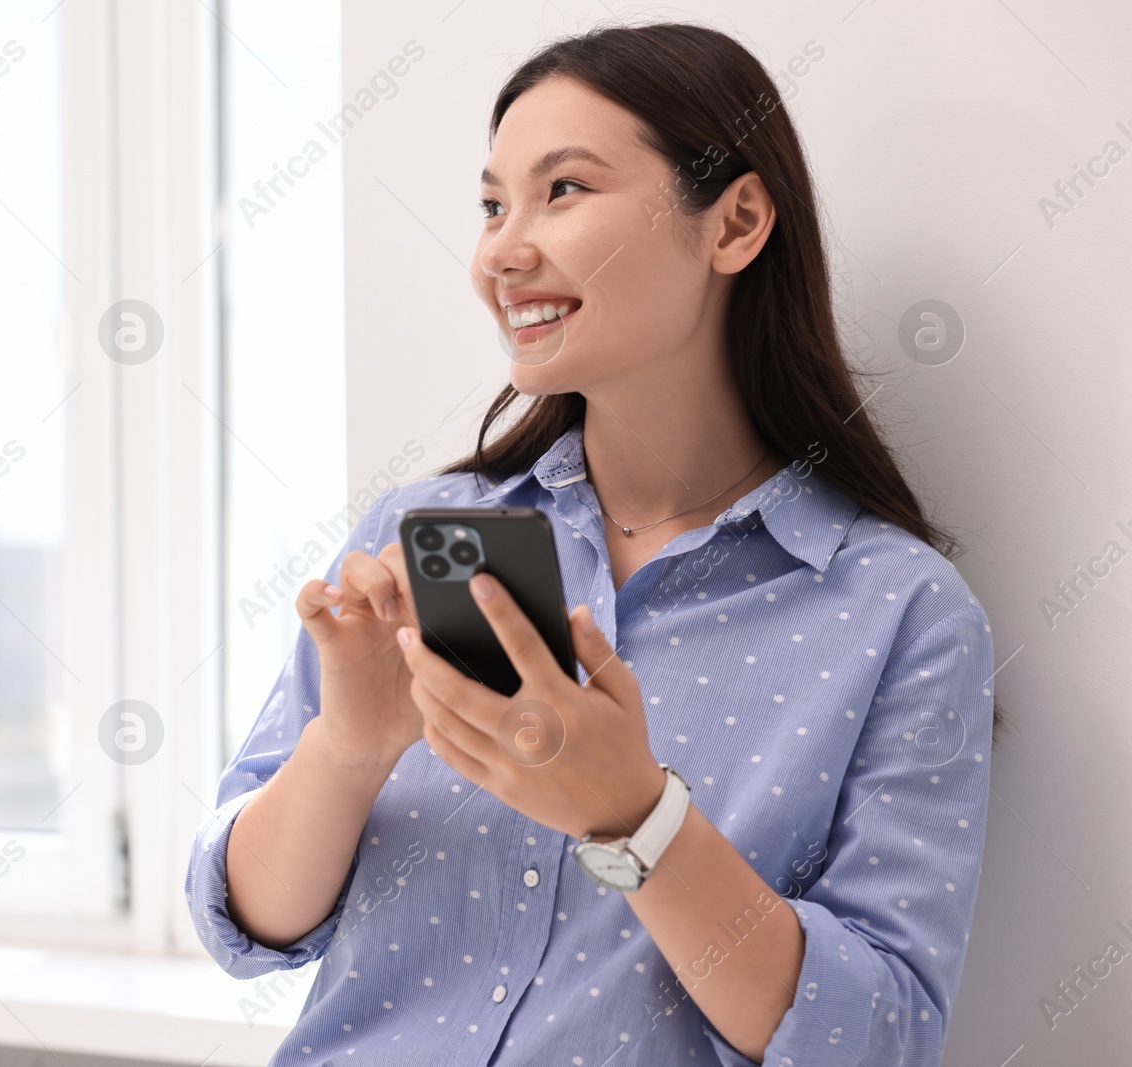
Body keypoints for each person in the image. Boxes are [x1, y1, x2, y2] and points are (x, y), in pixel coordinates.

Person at [187, 21, 994, 1066]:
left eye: (562, 190)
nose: (499, 251)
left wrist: (635, 818)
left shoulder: (896, 612)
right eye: (490, 205)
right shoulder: (421, 538)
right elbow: (245, 923)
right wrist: (348, 745)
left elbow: (873, 1036)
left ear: (735, 222)